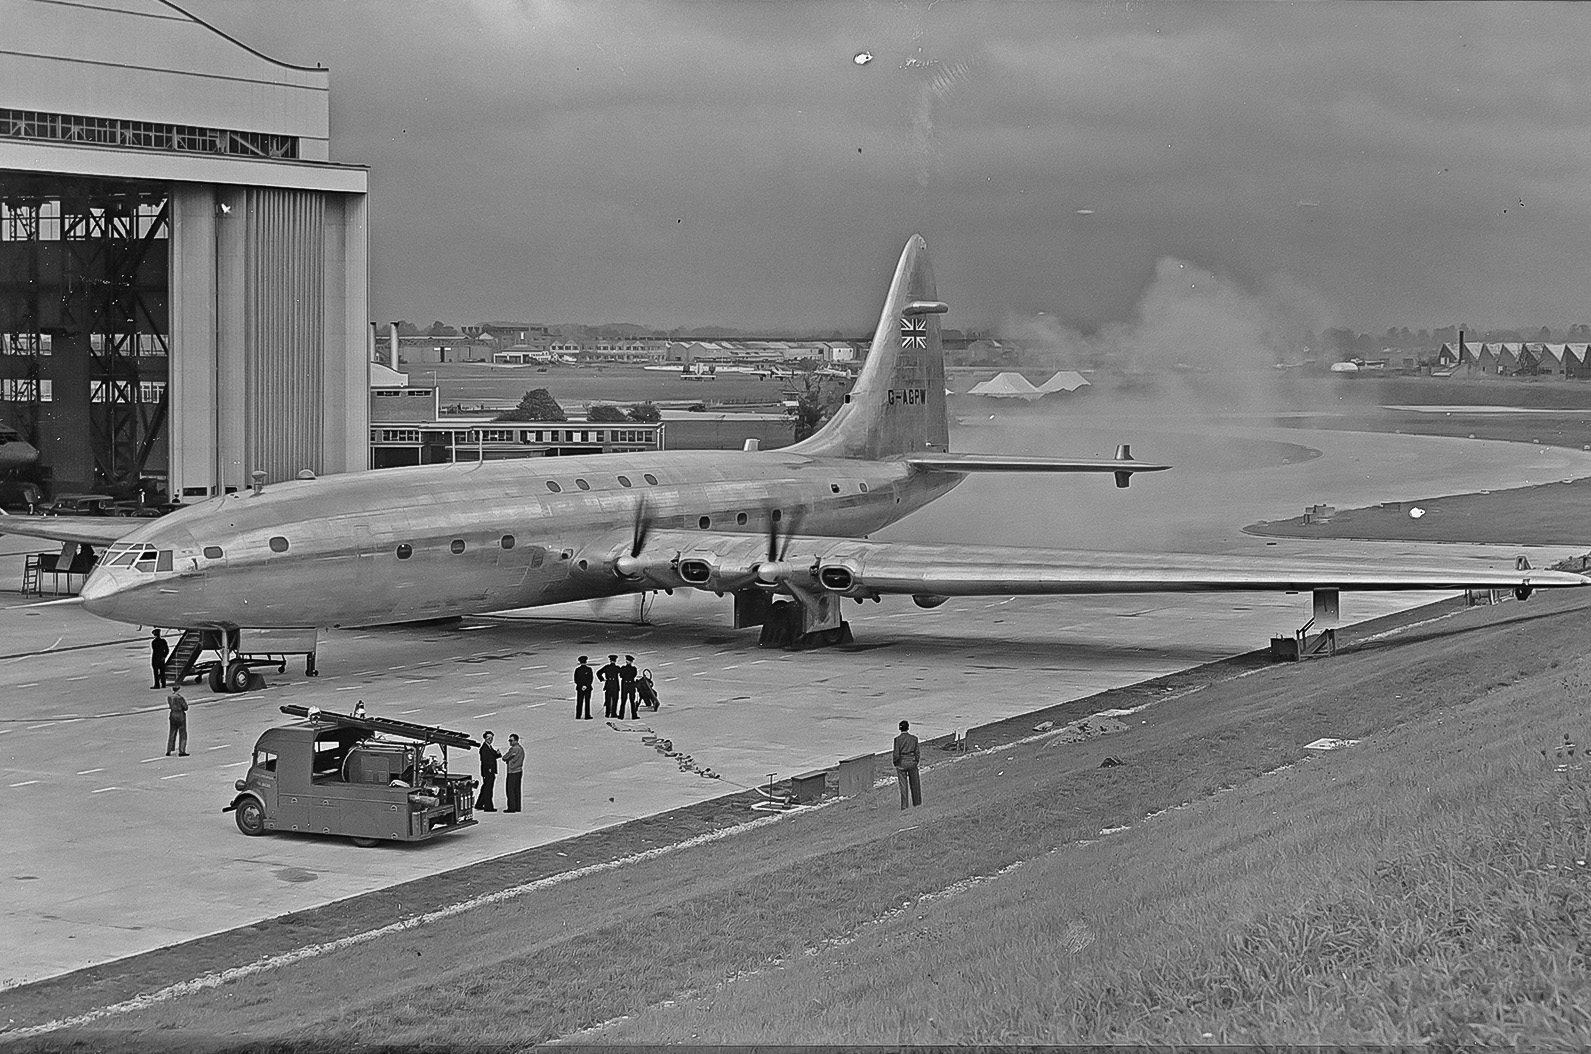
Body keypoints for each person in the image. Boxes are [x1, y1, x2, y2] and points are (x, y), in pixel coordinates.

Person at [892, 719, 921, 809]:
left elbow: (896, 754)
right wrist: (915, 761)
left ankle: (904, 805)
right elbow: (917, 752)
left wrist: (895, 762)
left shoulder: (897, 740)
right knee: (915, 784)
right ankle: (917, 802)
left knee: (903, 785)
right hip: (912, 762)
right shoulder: (914, 739)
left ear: (899, 729)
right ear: (908, 728)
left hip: (901, 763)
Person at [475, 730, 501, 811]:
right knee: (488, 789)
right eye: (488, 738)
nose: (490, 739)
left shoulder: (489, 747)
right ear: (485, 738)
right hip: (488, 771)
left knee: (485, 788)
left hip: (489, 771)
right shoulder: (484, 748)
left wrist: (498, 754)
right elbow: (485, 761)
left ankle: (479, 804)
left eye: (491, 738)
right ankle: (488, 806)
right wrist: (489, 769)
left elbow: (494, 756)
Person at [502, 733, 525, 813]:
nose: (510, 742)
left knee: (510, 790)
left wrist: (506, 759)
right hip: (519, 770)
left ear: (515, 740)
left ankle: (512, 807)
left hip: (512, 771)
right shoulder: (521, 749)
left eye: (511, 740)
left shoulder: (514, 749)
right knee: (517, 789)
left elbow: (505, 757)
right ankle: (517, 806)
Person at [165, 685, 189, 756]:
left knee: (172, 732)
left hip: (172, 714)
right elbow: (185, 707)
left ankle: (169, 749)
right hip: (180, 715)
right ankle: (182, 750)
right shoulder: (180, 698)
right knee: (182, 733)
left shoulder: (169, 697)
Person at [597, 654, 621, 718]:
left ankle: (607, 713)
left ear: (610, 660)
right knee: (615, 699)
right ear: (615, 661)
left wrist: (602, 679)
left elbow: (598, 672)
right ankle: (613, 713)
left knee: (608, 699)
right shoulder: (617, 668)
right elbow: (622, 674)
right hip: (615, 684)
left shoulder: (607, 667)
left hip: (608, 684)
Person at [573, 656, 594, 720]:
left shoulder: (577, 670)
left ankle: (578, 715)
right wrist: (586, 685)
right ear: (586, 661)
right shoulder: (589, 669)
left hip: (579, 688)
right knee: (587, 702)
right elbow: (590, 679)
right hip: (587, 688)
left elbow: (576, 679)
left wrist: (581, 685)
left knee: (579, 701)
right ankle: (587, 715)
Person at [620, 655, 639, 719]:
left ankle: (621, 715)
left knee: (623, 701)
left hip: (625, 684)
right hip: (631, 684)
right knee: (631, 701)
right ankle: (634, 715)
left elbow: (621, 675)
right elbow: (634, 675)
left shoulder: (623, 668)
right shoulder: (633, 669)